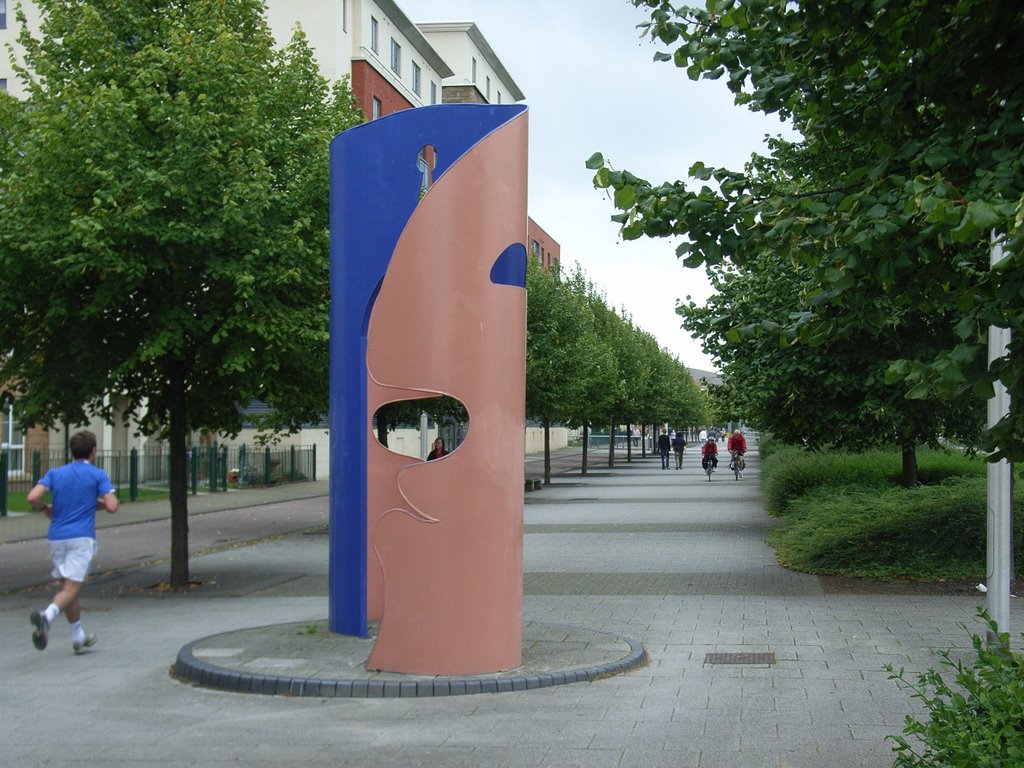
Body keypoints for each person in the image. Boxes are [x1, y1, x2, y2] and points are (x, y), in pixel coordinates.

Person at [26, 430, 118, 654]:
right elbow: (113, 506)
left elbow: (32, 497)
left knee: (69, 589)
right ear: (93, 451)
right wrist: (99, 502)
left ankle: (78, 638)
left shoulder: (56, 473)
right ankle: (46, 616)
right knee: (71, 588)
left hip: (56, 536)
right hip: (81, 537)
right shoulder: (97, 475)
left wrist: (45, 508)